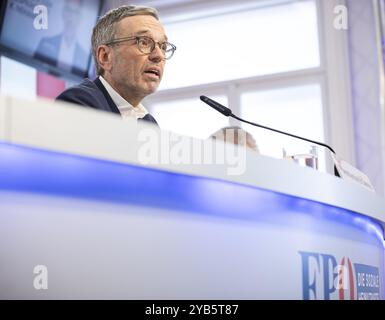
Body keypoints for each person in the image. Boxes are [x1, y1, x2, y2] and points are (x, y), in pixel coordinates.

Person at [56, 5, 176, 127]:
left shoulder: (148, 123)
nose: (159, 56)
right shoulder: (79, 103)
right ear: (105, 57)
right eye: (144, 42)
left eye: (163, 47)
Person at [34, 0, 88, 76]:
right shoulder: (45, 44)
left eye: (75, 12)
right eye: (69, 10)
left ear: (80, 18)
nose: (71, 17)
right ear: (63, 13)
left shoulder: (84, 57)